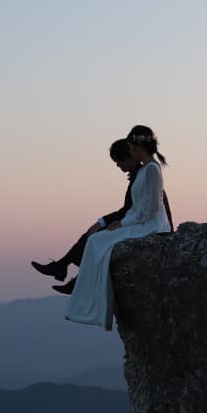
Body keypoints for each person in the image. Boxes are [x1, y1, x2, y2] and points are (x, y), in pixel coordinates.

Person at [65, 127, 172, 330]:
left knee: (99, 241)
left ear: (139, 146)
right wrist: (120, 223)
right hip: (139, 221)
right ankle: (83, 305)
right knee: (96, 240)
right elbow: (136, 208)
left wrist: (122, 224)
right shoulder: (146, 170)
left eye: (131, 146)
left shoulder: (152, 170)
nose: (130, 150)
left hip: (151, 225)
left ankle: (91, 308)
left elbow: (149, 211)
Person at [31, 139, 137, 295]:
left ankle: (69, 273)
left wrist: (102, 222)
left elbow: (128, 209)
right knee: (90, 234)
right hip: (133, 220)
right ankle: (64, 269)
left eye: (118, 161)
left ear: (127, 158)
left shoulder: (141, 176)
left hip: (138, 223)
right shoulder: (138, 175)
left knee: (95, 237)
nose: (117, 165)